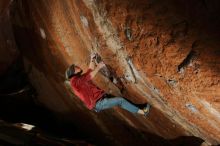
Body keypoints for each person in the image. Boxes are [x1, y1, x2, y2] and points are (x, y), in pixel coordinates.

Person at [65, 53, 151, 116]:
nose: (77, 66)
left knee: (121, 99)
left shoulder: (79, 78)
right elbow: (90, 76)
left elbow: (90, 70)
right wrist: (98, 67)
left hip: (101, 97)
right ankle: (144, 112)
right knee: (120, 100)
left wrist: (92, 59)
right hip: (97, 103)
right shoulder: (74, 82)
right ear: (74, 72)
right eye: (75, 67)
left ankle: (140, 107)